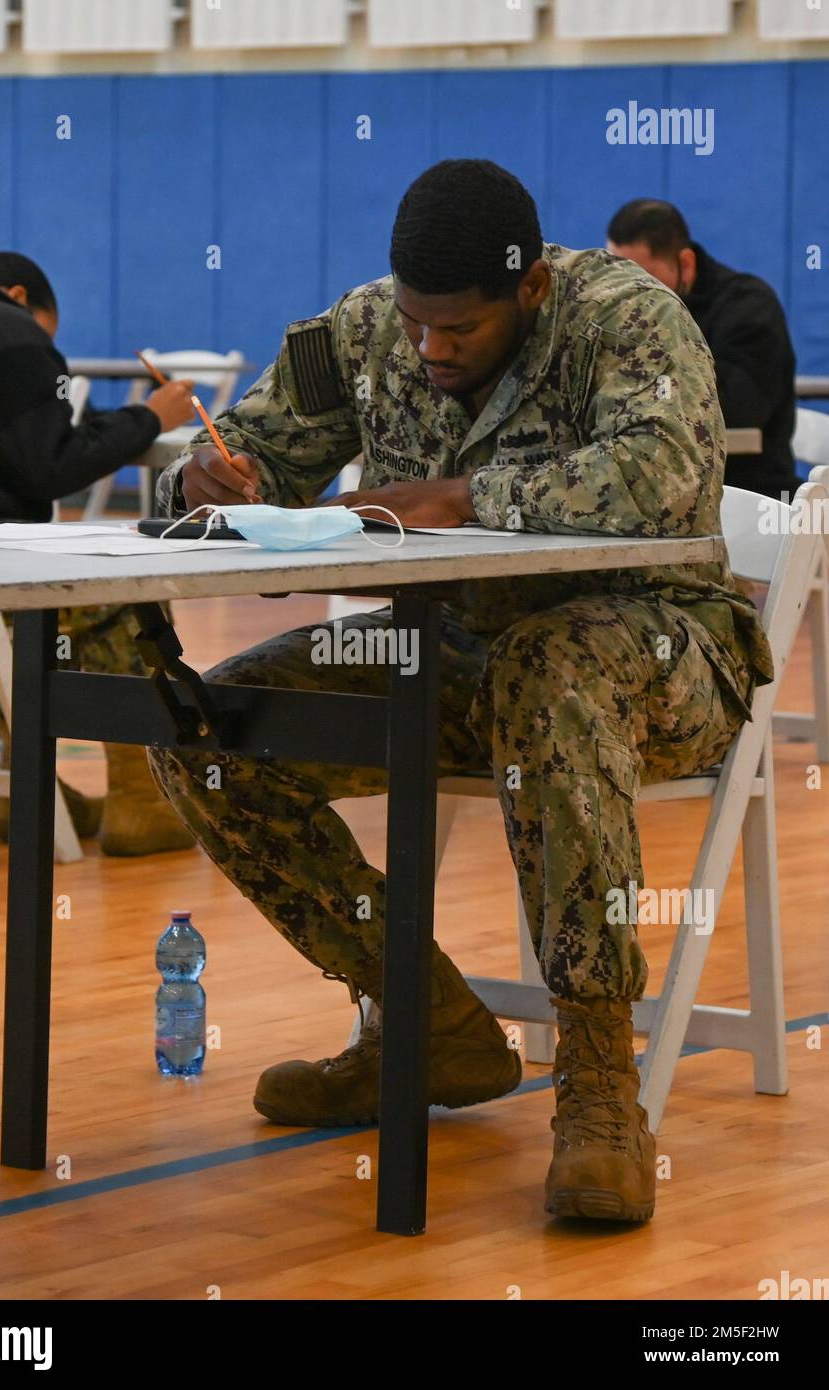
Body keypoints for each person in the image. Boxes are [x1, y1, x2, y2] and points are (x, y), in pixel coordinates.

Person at [148, 160, 773, 1224]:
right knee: (206, 728)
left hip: (661, 653)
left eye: (459, 331)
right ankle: (421, 1016)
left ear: (528, 292)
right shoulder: (359, 332)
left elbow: (666, 476)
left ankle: (597, 1084)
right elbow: (244, 446)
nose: (429, 349)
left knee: (548, 669)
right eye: (414, 324)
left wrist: (456, 498)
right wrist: (205, 477)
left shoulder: (627, 317)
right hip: (450, 661)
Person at [0, 246, 197, 855]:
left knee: (53, 597)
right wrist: (148, 417)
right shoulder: (4, 328)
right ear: (17, 298)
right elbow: (51, 465)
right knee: (131, 587)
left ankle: (29, 791)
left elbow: (15, 442)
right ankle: (142, 803)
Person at [606, 199, 798, 501]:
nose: (629, 292)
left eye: (643, 280)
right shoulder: (622, 312)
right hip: (662, 486)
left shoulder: (749, 307)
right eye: (618, 277)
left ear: (686, 263)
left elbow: (735, 412)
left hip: (747, 493)